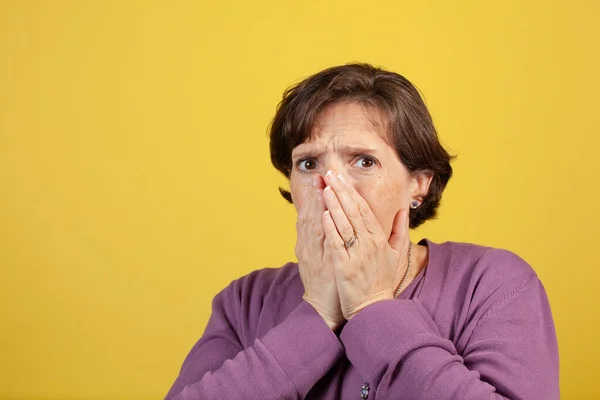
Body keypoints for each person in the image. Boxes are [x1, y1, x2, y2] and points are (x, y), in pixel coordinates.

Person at [164, 63, 559, 399]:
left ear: (418, 183)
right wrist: (317, 315)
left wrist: (371, 306)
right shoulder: (246, 301)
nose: (331, 184)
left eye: (364, 162)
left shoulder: (492, 284)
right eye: (307, 165)